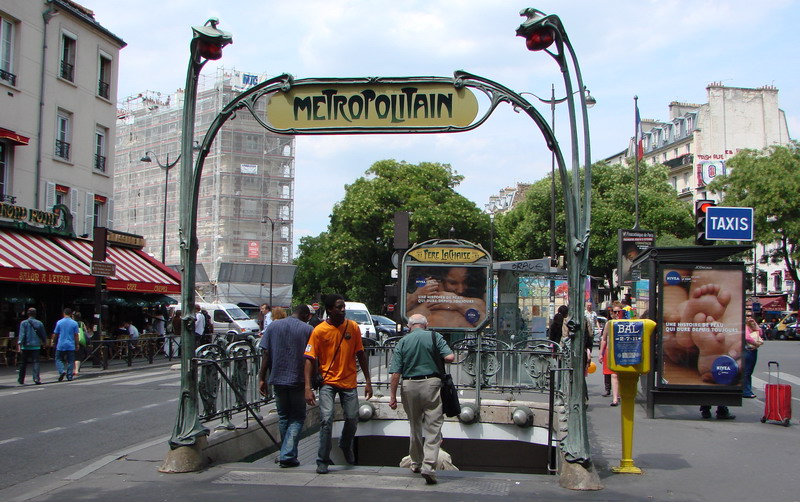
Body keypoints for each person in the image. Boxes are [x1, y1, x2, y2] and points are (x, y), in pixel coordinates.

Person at [304, 294, 373, 474]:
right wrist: (307, 388)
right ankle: (323, 460)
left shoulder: (353, 327)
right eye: (339, 307)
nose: (343, 310)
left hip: (348, 381)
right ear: (329, 310)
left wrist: (367, 380)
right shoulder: (319, 331)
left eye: (343, 307)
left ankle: (345, 443)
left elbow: (360, 354)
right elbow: (309, 359)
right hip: (327, 382)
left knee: (352, 417)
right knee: (326, 419)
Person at [388, 314, 455, 485]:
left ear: (409, 326)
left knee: (414, 425)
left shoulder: (403, 342)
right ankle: (429, 466)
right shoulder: (434, 336)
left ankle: (416, 463)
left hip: (409, 386)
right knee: (433, 427)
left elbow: (396, 372)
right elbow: (450, 357)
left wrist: (393, 397)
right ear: (426, 325)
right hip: (431, 384)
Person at [258, 305, 313, 468]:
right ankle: (288, 454)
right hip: (298, 379)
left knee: (283, 416)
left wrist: (262, 377)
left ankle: (286, 453)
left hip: (278, 378)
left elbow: (266, 354)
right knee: (297, 417)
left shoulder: (274, 326)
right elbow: (311, 358)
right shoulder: (308, 329)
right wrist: (310, 383)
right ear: (304, 315)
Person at [406, 267, 487, 328]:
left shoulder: (476, 303)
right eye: (453, 283)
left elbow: (485, 324)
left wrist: (457, 302)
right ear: (438, 282)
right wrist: (416, 296)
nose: (460, 290)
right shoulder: (421, 306)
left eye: (465, 282)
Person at [16, 308, 47, 385]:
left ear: (28, 314)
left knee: (23, 363)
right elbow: (43, 334)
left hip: (26, 346)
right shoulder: (39, 323)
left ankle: (21, 379)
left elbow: (22, 334)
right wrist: (44, 342)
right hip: (36, 345)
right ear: (35, 314)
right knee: (36, 362)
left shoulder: (23, 323)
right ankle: (36, 378)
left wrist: (19, 344)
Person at [599, 304, 622, 406]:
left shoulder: (625, 323)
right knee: (614, 374)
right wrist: (600, 354)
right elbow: (604, 339)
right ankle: (615, 398)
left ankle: (620, 394)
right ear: (611, 313)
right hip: (611, 351)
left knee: (621, 375)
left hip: (622, 352)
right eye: (615, 312)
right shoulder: (609, 324)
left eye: (619, 312)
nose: (617, 314)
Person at [52, 308, 80, 382]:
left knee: (58, 359)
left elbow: (56, 333)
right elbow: (76, 335)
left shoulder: (59, 322)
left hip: (61, 344)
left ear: (64, 313)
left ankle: (61, 371)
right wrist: (77, 344)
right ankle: (69, 375)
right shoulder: (74, 323)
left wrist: (53, 342)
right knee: (70, 361)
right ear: (71, 314)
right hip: (70, 344)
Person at [742, 315, 763, 399]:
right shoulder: (745, 327)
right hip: (748, 350)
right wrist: (756, 344)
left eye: (751, 317)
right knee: (746, 372)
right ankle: (746, 391)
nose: (750, 319)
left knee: (749, 371)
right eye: (748, 317)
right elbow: (747, 337)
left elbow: (760, 333)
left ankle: (748, 390)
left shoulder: (752, 327)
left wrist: (755, 324)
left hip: (753, 350)